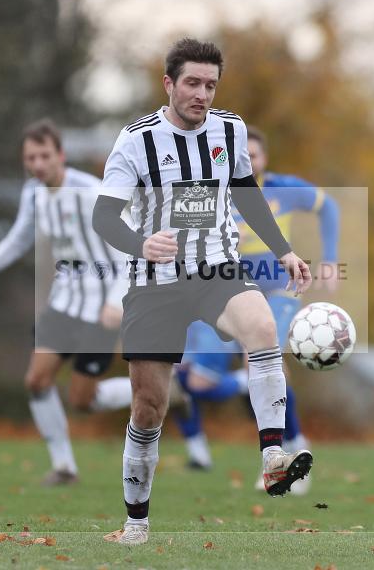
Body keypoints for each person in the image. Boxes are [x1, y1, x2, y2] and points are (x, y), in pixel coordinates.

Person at [92, 38, 313, 546]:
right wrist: (141, 244)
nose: (202, 94)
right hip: (155, 283)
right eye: (192, 83)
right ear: (168, 84)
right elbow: (103, 216)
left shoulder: (230, 129)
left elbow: (247, 194)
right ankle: (136, 523)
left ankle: (273, 457)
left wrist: (283, 251)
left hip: (217, 269)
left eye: (211, 85)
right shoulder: (136, 141)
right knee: (149, 407)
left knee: (261, 327)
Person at [0, 119, 133, 486]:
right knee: (36, 381)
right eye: (30, 158)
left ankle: (153, 387)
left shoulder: (92, 194)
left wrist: (116, 301)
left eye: (44, 156)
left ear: (61, 155)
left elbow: (131, 250)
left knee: (83, 400)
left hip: (100, 309)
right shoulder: (32, 193)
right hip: (63, 303)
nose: (37, 164)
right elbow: (18, 239)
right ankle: (64, 467)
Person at [175, 126, 340, 497]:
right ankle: (259, 402)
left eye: (254, 156)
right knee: (197, 383)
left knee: (259, 358)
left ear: (264, 159)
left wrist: (329, 259)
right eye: (242, 155)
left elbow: (329, 206)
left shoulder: (284, 188)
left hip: (278, 288)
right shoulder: (211, 191)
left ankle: (290, 450)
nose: (248, 161)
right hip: (227, 289)